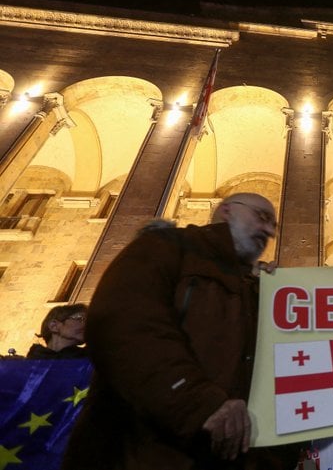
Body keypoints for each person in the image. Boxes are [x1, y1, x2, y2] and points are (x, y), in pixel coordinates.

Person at [61, 193, 294, 470]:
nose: (269, 231)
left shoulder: (255, 284)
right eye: (262, 217)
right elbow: (126, 325)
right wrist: (200, 404)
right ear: (228, 211)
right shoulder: (164, 247)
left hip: (225, 457)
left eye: (273, 226)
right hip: (142, 453)